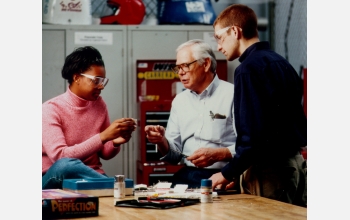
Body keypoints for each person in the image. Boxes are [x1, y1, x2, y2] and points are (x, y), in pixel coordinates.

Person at [209, 4, 307, 207]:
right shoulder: (283, 64)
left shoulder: (247, 70)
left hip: (269, 171)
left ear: (235, 31)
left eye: (219, 38)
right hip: (295, 167)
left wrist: (227, 173)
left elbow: (253, 137)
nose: (219, 46)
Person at [144, 39, 237, 189]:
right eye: (178, 67)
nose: (180, 72)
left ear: (206, 64)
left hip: (224, 175)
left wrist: (219, 154)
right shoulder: (180, 101)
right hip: (188, 174)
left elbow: (249, 146)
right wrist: (161, 141)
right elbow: (174, 157)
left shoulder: (233, 94)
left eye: (185, 66)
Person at [42, 46, 136, 189]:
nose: (101, 87)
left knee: (75, 168)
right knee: (66, 165)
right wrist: (103, 136)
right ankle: (118, 187)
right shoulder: (50, 109)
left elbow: (104, 153)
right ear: (77, 77)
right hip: (54, 176)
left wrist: (116, 142)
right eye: (96, 80)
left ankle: (110, 186)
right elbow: (60, 156)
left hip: (92, 175)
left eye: (103, 81)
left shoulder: (99, 104)